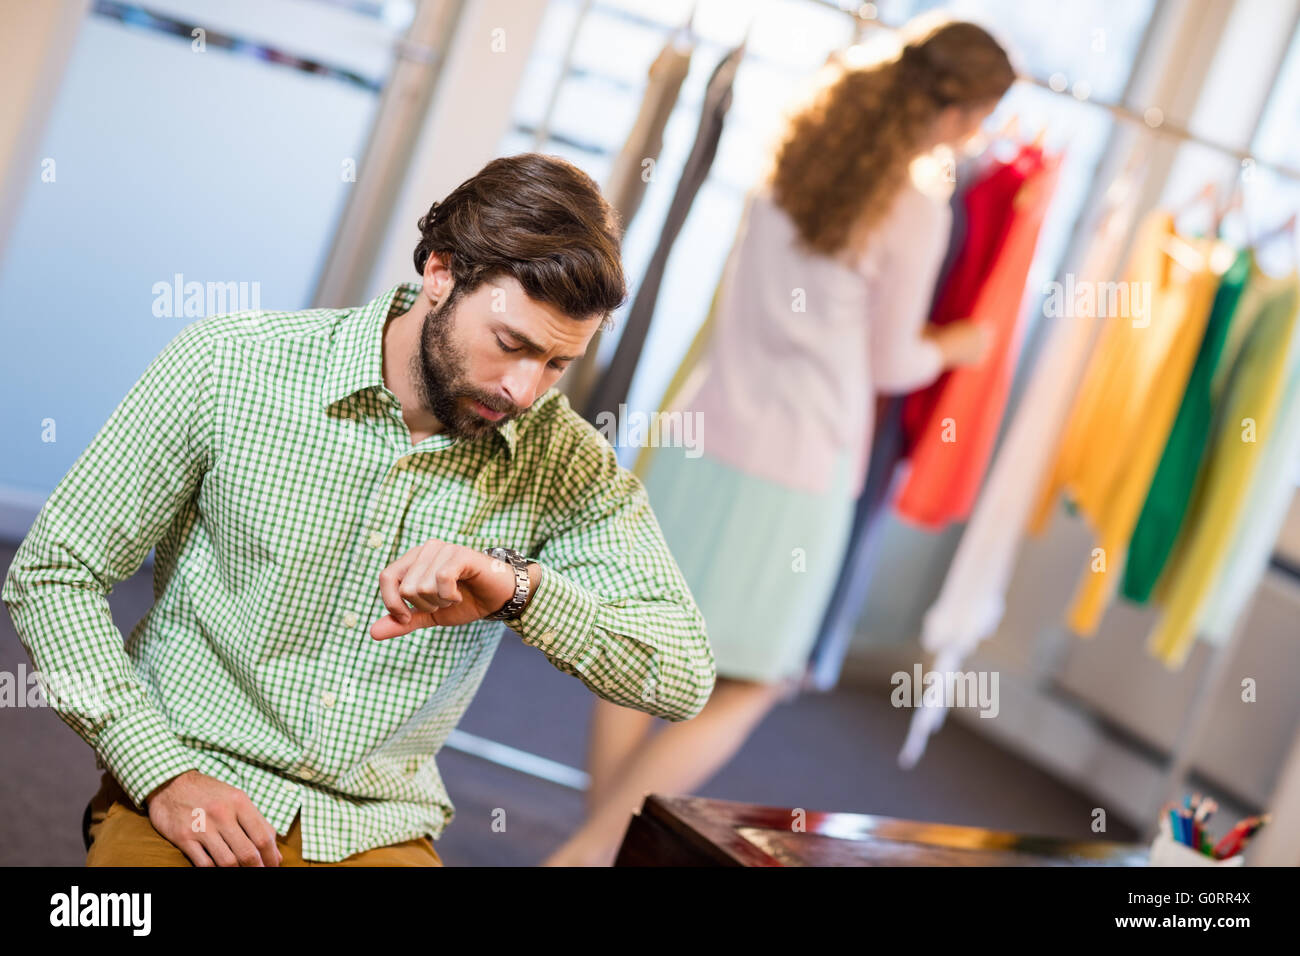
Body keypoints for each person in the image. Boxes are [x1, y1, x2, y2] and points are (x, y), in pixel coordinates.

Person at [1, 153, 716, 866]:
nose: (524, 390)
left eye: (557, 364)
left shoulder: (560, 458)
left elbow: (681, 676)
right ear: (441, 273)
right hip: (190, 784)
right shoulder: (230, 365)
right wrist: (156, 767)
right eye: (510, 344)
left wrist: (519, 590)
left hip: (375, 825)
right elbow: (53, 573)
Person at [544, 14, 1017, 867]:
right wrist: (960, 344)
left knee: (643, 652)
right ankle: (591, 853)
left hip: (704, 436)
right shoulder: (916, 204)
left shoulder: (793, 154)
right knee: (756, 679)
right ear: (958, 113)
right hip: (799, 466)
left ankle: (598, 846)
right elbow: (891, 359)